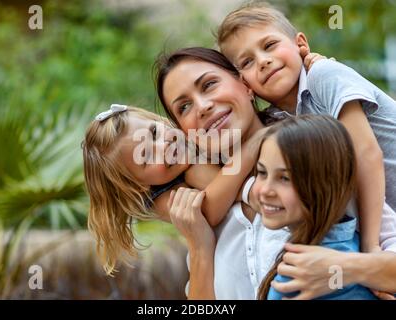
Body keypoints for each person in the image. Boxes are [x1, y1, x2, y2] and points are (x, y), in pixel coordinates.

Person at [155, 47, 396, 299]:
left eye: (209, 85)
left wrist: (347, 268)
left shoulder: (315, 156)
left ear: (245, 85)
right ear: (183, 130)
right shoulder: (204, 215)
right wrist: (200, 250)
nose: (202, 106)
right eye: (183, 107)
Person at [217, 2, 396, 255]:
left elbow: (367, 155)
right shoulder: (275, 123)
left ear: (300, 44)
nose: (264, 61)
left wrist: (370, 247)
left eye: (269, 46)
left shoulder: (323, 75)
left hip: (381, 229)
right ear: (243, 83)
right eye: (247, 62)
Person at [82, 104, 257, 275]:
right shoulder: (160, 200)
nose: (163, 145)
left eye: (155, 133)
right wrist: (249, 150)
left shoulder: (194, 132)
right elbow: (209, 211)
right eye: (147, 156)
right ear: (138, 184)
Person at [247, 114, 377, 299]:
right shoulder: (350, 243)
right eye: (262, 172)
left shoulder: (305, 277)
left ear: (325, 183)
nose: (266, 190)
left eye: (285, 178)